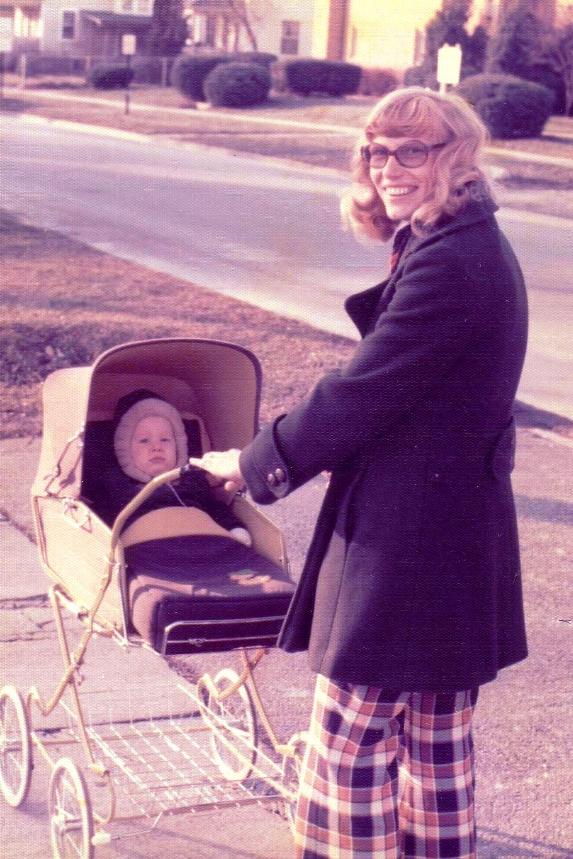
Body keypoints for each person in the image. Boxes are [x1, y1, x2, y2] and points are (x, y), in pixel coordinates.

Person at [190, 88, 528, 858]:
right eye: (377, 151)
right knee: (435, 737)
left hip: (407, 538)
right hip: (452, 526)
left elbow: (359, 392)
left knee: (347, 741)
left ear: (456, 156)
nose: (390, 168)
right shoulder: (457, 240)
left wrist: (248, 467)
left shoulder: (452, 261)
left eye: (414, 150)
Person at [91, 390, 251, 545]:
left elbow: (214, 509)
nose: (156, 447)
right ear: (124, 449)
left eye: (165, 440)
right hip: (146, 551)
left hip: (202, 544)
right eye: (144, 440)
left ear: (179, 446)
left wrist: (234, 528)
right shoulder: (116, 485)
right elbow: (99, 520)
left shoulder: (192, 480)